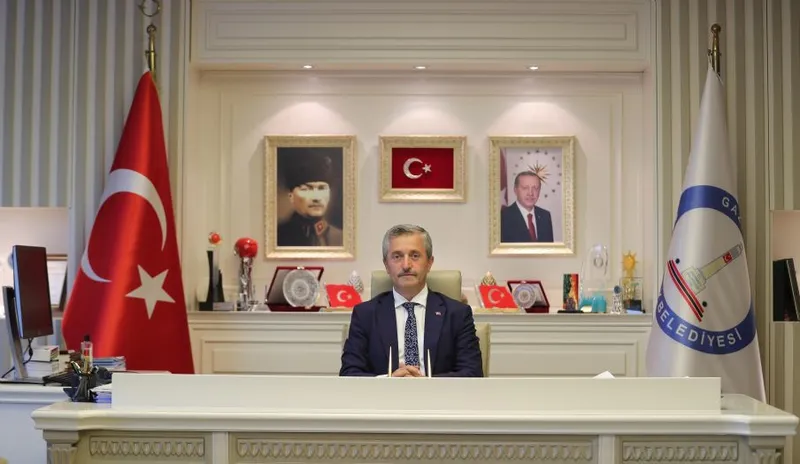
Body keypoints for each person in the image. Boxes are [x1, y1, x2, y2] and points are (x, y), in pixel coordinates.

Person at [339, 224, 483, 377]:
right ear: (386, 265)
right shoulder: (365, 314)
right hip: (384, 392)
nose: (406, 265)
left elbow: (472, 373)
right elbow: (349, 373)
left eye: (415, 256)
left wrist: (426, 384)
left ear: (429, 263)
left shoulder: (457, 314)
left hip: (437, 392)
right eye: (397, 257)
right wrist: (388, 380)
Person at [277, 151, 343, 247]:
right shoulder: (278, 236)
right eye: (306, 189)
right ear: (291, 196)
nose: (316, 197)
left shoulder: (341, 238)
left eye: (322, 188)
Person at [500, 171, 554, 243]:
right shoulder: (503, 217)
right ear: (515, 190)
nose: (530, 193)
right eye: (525, 188)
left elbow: (549, 248)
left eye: (535, 188)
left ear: (539, 190)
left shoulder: (545, 216)